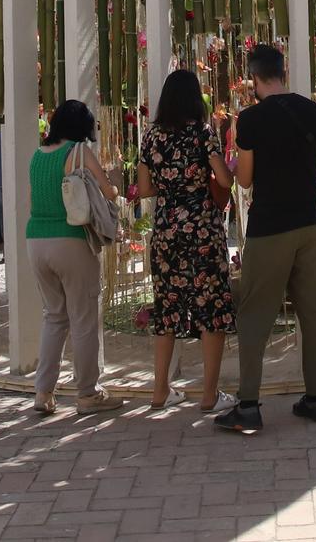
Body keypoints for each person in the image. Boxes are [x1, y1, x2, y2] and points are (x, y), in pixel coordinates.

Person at [216, 44, 316, 435]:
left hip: (270, 226)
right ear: (283, 72)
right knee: (312, 311)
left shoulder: (249, 121)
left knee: (255, 314)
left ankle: (248, 404)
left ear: (253, 78)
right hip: (310, 223)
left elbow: (246, 180)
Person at [136, 70, 238, 414]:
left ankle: (159, 390)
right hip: (202, 230)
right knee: (211, 308)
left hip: (166, 230)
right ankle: (209, 395)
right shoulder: (202, 133)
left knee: (166, 308)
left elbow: (145, 188)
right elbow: (225, 179)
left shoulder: (151, 137)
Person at [26, 98, 125, 415]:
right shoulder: (79, 152)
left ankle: (43, 393)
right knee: (83, 319)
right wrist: (115, 179)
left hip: (36, 241)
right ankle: (87, 393)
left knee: (54, 317)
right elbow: (108, 191)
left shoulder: (37, 156)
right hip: (69, 240)